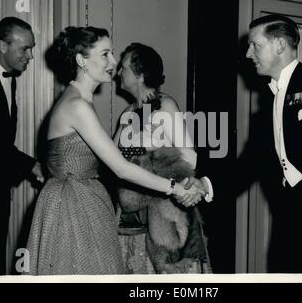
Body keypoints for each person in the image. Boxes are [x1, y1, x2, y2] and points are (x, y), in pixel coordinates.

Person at [187, 14, 302, 272]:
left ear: (279, 45)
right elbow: (251, 163)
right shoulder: (269, 100)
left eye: (255, 45)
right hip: (290, 218)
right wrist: (205, 184)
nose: (248, 54)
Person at [25, 27, 204, 275]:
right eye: (106, 54)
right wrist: (174, 187)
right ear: (81, 61)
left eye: (115, 57)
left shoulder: (84, 101)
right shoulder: (80, 105)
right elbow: (119, 165)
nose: (113, 63)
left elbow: (182, 156)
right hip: (76, 205)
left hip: (136, 211)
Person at [113, 42, 213, 274]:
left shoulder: (165, 106)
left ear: (139, 74)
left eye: (124, 67)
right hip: (131, 217)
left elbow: (189, 159)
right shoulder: (128, 113)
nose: (118, 72)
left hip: (164, 217)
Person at [0, 17, 44, 275]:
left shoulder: (9, 80)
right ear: (2, 45)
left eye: (31, 48)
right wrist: (32, 165)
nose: (31, 56)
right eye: (25, 49)